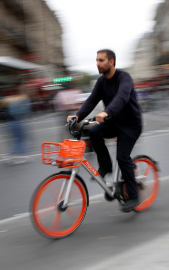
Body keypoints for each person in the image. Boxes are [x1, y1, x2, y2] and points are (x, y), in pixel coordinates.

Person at [67, 49, 143, 212]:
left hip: (131, 124)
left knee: (122, 157)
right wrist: (77, 116)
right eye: (96, 60)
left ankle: (134, 195)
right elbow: (92, 100)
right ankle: (106, 166)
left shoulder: (124, 78)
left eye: (101, 60)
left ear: (111, 62)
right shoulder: (101, 81)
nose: (97, 63)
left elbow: (122, 97)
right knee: (94, 132)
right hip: (114, 122)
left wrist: (106, 112)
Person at [0, 84, 32, 164]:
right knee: (20, 140)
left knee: (18, 140)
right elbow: (25, 111)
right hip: (18, 123)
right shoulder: (23, 98)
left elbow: (1, 103)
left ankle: (17, 155)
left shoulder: (9, 99)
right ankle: (15, 155)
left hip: (10, 123)